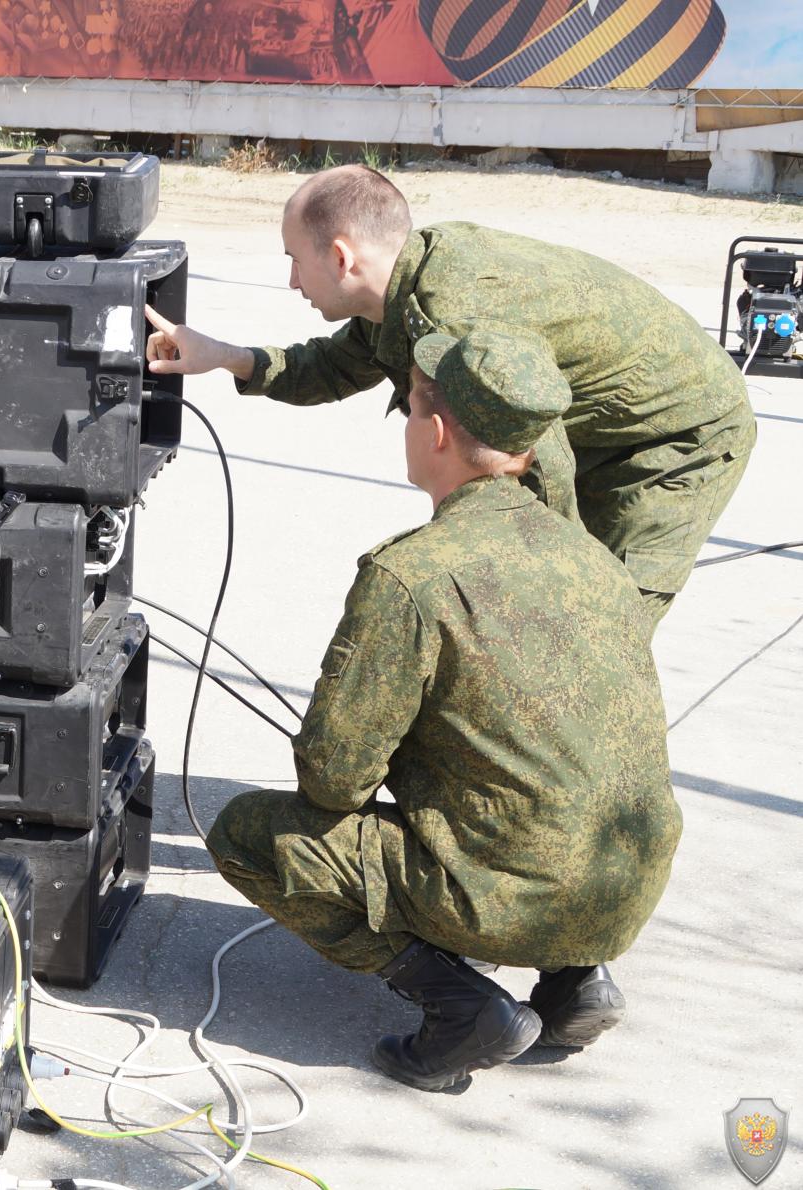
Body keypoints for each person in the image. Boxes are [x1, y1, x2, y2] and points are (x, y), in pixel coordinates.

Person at [206, 327, 682, 1092]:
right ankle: (576, 983)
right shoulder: (591, 556)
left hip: (512, 890)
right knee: (538, 792)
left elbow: (333, 780)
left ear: (433, 432)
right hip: (626, 885)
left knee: (250, 833)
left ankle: (462, 1007)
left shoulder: (414, 574)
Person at [144, 164, 755, 629]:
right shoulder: (406, 287)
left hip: (677, 441)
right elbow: (332, 367)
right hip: (603, 427)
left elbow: (542, 462)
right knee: (524, 619)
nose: (291, 281)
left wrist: (551, 585)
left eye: (295, 262)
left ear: (340, 256)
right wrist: (220, 355)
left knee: (588, 628)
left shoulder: (459, 319)